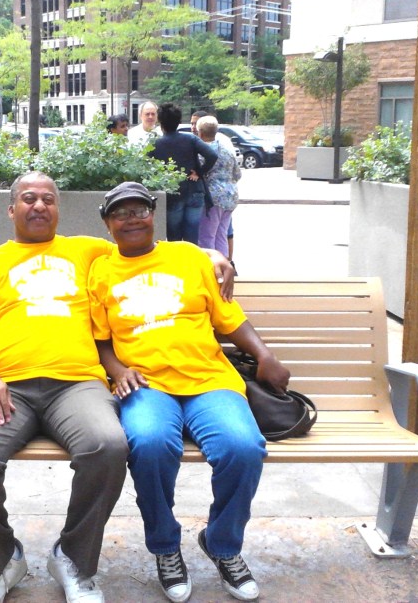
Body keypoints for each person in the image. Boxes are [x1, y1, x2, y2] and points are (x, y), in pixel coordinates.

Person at [0, 172, 234, 603]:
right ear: (11, 209)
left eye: (48, 199)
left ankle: (74, 559)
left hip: (77, 384)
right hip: (7, 387)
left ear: (58, 210)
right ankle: (1, 561)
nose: (39, 206)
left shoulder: (88, 251)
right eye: (29, 198)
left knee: (108, 445)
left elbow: (152, 249)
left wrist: (211, 253)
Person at [88, 182, 290, 603]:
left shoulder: (190, 258)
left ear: (154, 214)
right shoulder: (101, 272)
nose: (131, 219)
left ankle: (222, 544)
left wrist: (264, 355)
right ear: (107, 224)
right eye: (120, 213)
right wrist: (118, 370)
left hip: (208, 380)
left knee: (243, 447)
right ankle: (165, 546)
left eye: (139, 210)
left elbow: (229, 319)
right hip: (147, 385)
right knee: (148, 445)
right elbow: (101, 340)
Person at [149, 102, 217, 243]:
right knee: (192, 236)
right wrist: (199, 172)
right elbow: (212, 155)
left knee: (174, 238)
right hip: (195, 190)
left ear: (160, 122)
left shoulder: (155, 144)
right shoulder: (190, 138)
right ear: (179, 121)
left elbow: (146, 166)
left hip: (173, 193)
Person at [196, 116, 241, 259]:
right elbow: (237, 174)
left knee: (207, 237)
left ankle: (211, 268)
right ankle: (224, 266)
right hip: (231, 197)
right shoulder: (226, 151)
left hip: (213, 198)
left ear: (200, 133)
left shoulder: (202, 152)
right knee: (222, 234)